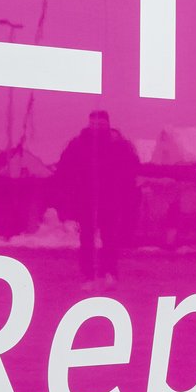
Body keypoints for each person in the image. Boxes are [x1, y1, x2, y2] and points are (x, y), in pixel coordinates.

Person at [55, 109, 140, 283]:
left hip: (111, 199)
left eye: (100, 124)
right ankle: (89, 275)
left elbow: (131, 171)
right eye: (93, 123)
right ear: (88, 123)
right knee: (87, 239)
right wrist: (69, 197)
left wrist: (125, 195)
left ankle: (109, 273)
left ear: (107, 124)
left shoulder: (119, 145)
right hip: (86, 200)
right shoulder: (78, 144)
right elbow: (64, 171)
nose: (96, 127)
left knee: (110, 238)